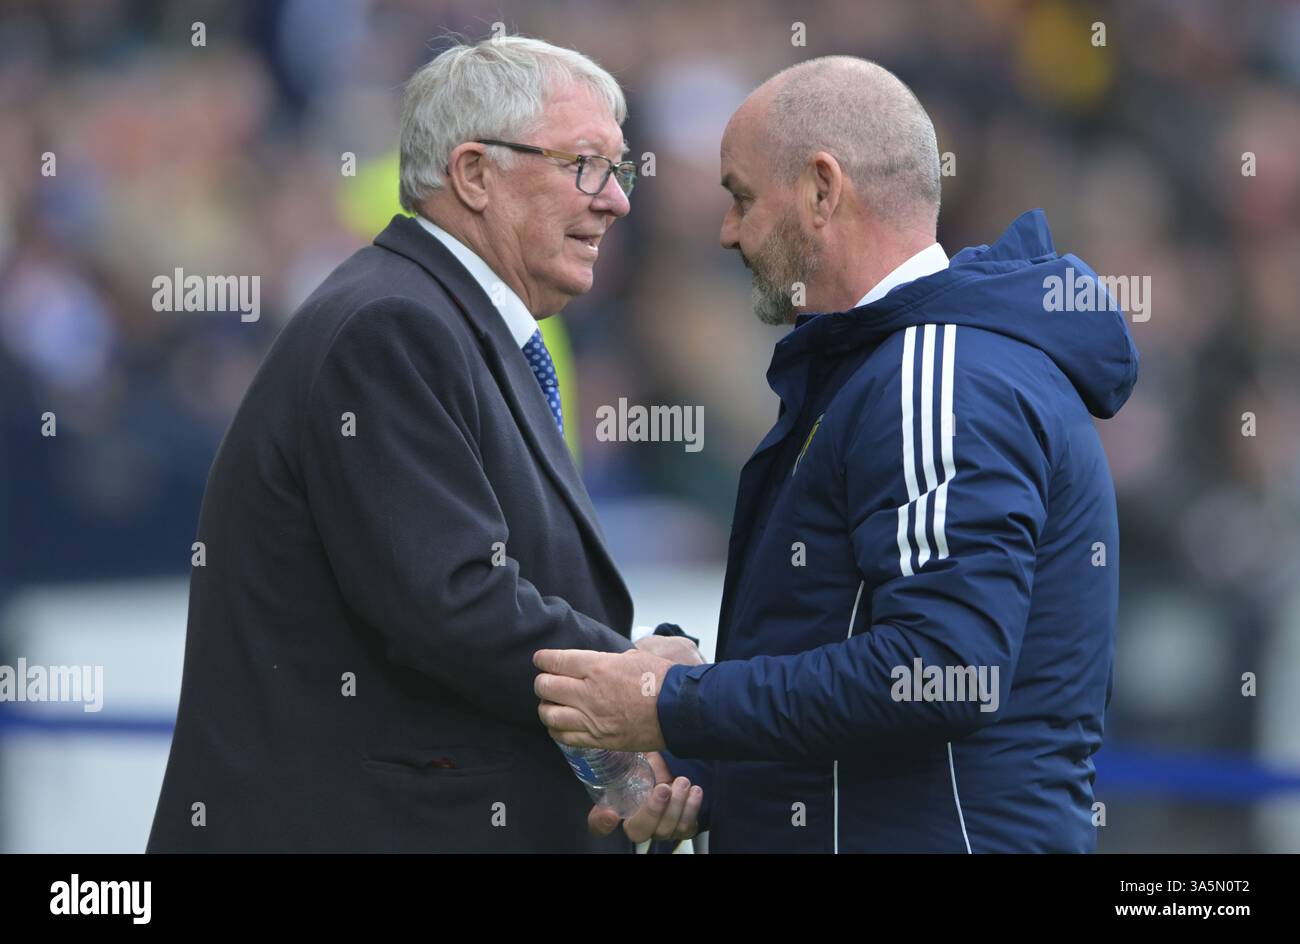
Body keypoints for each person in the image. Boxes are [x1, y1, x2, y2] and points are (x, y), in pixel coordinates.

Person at [536, 56, 1139, 853]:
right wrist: (698, 757)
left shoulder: (938, 374)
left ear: (823, 191)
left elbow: (939, 672)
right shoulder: (887, 369)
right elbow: (860, 674)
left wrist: (677, 700)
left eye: (741, 197)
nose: (728, 231)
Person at [148, 35, 700, 853]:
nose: (615, 200)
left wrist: (628, 744)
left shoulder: (442, 319)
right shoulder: (392, 326)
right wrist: (643, 679)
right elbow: (455, 603)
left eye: (618, 170)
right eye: (585, 164)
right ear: (475, 174)